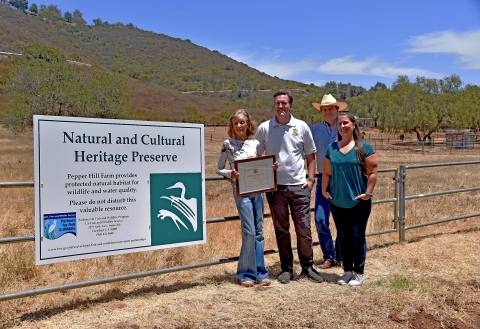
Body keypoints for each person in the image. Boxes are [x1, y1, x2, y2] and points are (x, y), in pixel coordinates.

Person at [256, 90, 324, 284]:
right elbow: (256, 155)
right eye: (277, 103)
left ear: (290, 106)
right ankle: (286, 267)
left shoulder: (301, 126)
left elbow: (310, 155)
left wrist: (310, 180)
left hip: (298, 186)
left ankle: (307, 266)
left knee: (303, 228)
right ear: (274, 105)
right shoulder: (265, 128)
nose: (281, 106)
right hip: (275, 187)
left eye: (284, 103)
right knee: (281, 229)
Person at [216, 109, 271, 287]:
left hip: (258, 191)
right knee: (250, 232)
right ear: (232, 126)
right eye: (236, 123)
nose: (239, 126)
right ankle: (245, 273)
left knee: (259, 232)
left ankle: (261, 273)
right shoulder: (227, 144)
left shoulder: (255, 144)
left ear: (248, 124)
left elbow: (259, 165)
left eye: (242, 122)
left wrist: (271, 168)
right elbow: (218, 168)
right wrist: (229, 174)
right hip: (240, 191)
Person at [322, 111, 378, 287]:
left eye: (346, 123)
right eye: (340, 124)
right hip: (337, 201)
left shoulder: (364, 147)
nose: (343, 126)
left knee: (357, 236)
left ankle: (359, 273)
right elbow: (327, 173)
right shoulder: (332, 148)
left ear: (354, 125)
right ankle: (347, 271)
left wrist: (368, 193)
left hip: (359, 201)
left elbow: (373, 173)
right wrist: (324, 190)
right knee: (344, 236)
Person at [310, 94, 347, 269]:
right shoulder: (313, 130)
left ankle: (342, 255)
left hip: (342, 179)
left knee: (343, 220)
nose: (328, 111)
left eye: (331, 108)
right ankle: (329, 256)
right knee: (320, 219)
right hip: (322, 179)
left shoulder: (345, 128)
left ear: (337, 110)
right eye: (325, 109)